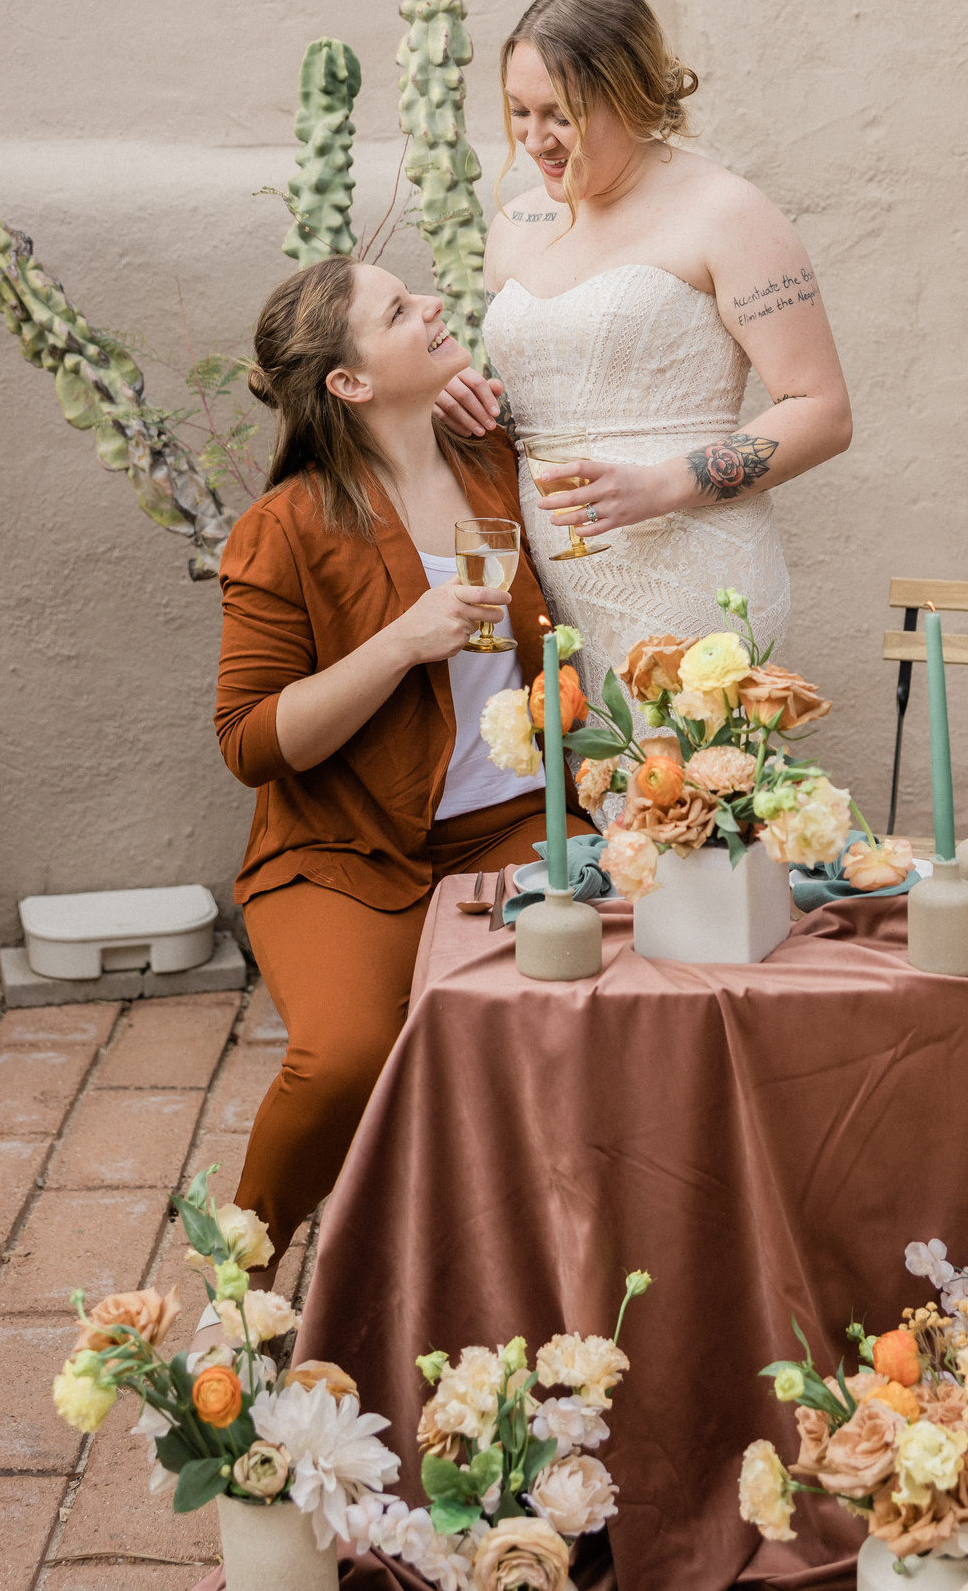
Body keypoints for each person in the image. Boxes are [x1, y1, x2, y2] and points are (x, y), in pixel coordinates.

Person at [212, 254, 591, 1281]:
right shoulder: (285, 528)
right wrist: (396, 641)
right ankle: (236, 1290)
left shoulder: (494, 463)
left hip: (512, 823)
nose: (430, 305)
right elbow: (248, 740)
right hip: (340, 848)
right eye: (398, 309)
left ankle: (522, 1269)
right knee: (341, 1060)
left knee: (592, 1015)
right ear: (349, 382)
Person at [434, 0, 852, 725]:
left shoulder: (727, 214)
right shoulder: (517, 226)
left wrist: (661, 487)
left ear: (625, 95)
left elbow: (821, 410)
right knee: (566, 815)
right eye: (517, 112)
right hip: (545, 571)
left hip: (685, 561)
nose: (534, 141)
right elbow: (533, 394)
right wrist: (460, 402)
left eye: (559, 115)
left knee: (673, 815)